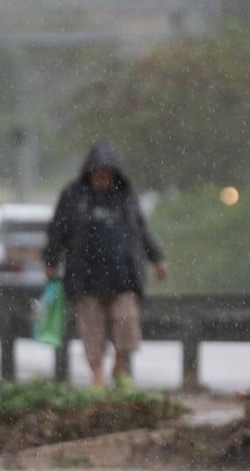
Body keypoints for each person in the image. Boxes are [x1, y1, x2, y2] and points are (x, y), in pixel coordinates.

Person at [44, 143, 167, 389]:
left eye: (107, 173)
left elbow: (141, 230)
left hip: (123, 276)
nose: (102, 177)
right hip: (85, 278)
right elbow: (57, 230)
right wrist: (51, 260)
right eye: (97, 172)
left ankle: (119, 368)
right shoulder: (73, 195)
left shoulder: (125, 196)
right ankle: (97, 378)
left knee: (127, 322)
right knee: (92, 332)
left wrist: (157, 258)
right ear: (89, 172)